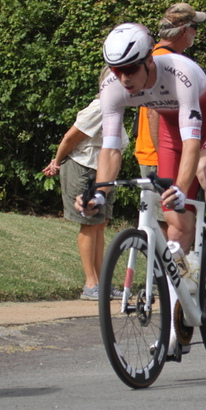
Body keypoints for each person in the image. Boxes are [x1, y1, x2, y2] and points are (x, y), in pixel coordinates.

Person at [75, 21, 206, 284]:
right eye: (117, 70)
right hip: (172, 134)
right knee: (175, 232)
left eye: (130, 69)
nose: (124, 78)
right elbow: (110, 148)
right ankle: (179, 309)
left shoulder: (179, 72)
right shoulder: (112, 86)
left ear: (149, 60)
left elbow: (193, 143)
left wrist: (182, 189)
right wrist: (99, 194)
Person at [43, 67, 129, 300]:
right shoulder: (100, 107)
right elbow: (70, 137)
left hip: (104, 173)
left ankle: (102, 283)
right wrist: (57, 162)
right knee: (90, 223)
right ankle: (90, 284)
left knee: (101, 225)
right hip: (83, 169)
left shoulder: (116, 110)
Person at [132, 3, 205, 234]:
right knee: (169, 224)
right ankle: (169, 270)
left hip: (155, 153)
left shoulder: (155, 56)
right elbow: (154, 110)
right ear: (183, 30)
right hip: (161, 155)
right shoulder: (167, 62)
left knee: (164, 224)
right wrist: (164, 158)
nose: (196, 33)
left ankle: (166, 269)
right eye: (194, 27)